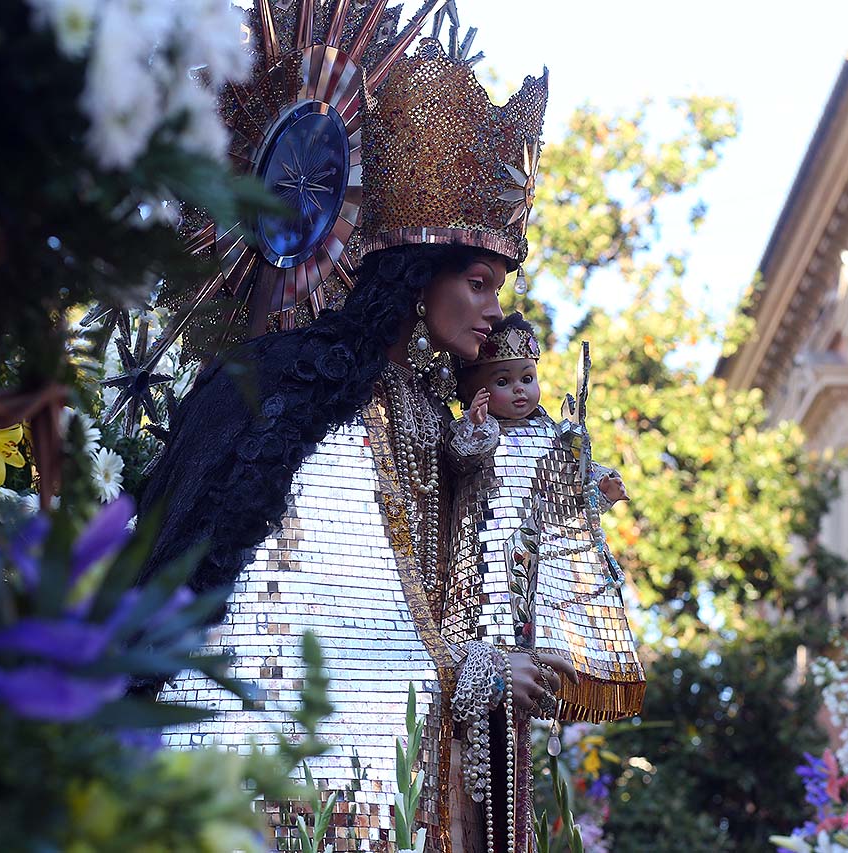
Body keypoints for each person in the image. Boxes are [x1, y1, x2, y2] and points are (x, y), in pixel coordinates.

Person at [141, 36, 559, 852]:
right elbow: (312, 608)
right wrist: (470, 669)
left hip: (409, 786)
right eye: (476, 283)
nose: (489, 311)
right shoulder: (310, 394)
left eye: (497, 290)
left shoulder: (430, 417)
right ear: (419, 273)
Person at [444, 313, 646, 851]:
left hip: (540, 592)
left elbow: (579, 481)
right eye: (501, 381)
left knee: (518, 747)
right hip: (483, 586)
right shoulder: (476, 433)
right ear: (477, 390)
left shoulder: (553, 436)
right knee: (483, 751)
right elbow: (459, 456)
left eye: (526, 378)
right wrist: (477, 429)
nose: (518, 391)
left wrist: (601, 482)